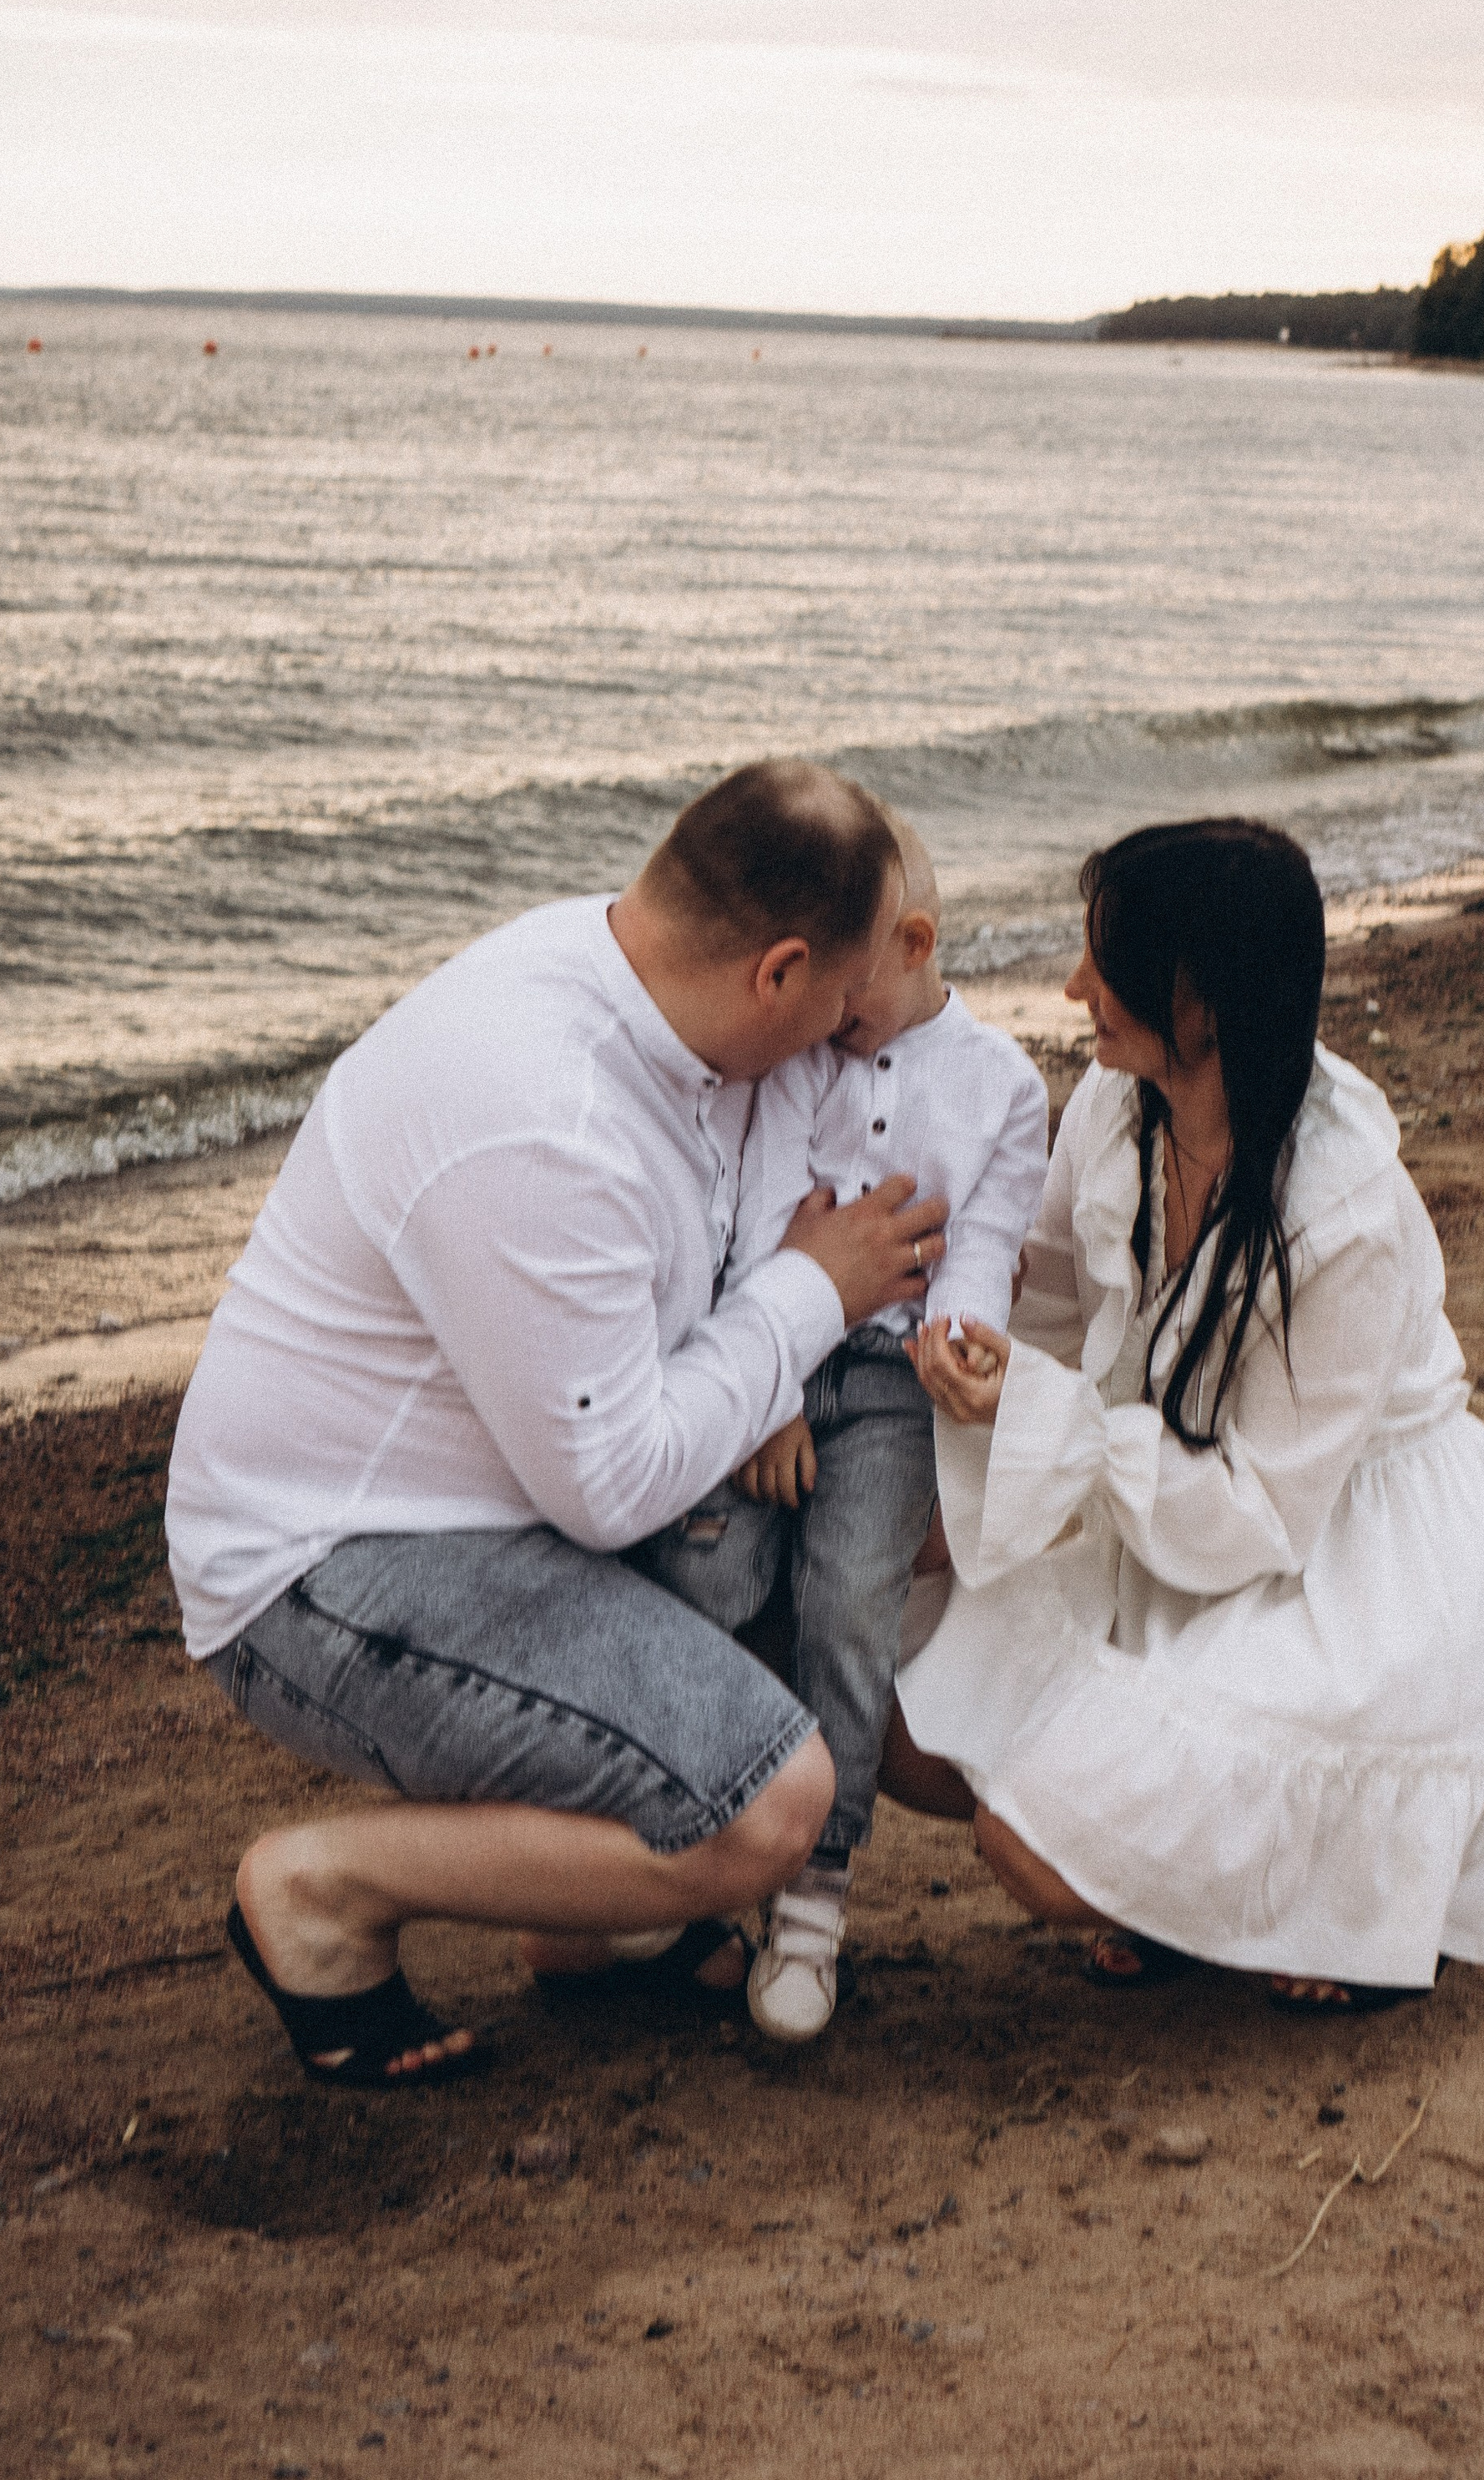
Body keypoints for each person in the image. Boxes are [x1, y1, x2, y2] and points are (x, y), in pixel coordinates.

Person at [165, 760, 948, 2085]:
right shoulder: (547, 1118)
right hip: (335, 1565)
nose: (861, 1022)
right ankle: (320, 1890)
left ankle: (595, 1932)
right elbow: (617, 1478)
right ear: (778, 973)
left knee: (861, 1605)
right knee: (770, 1801)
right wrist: (815, 1292)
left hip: (508, 1503)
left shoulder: (663, 994)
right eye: (847, 994)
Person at [894, 817, 1484, 2007]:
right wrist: (971, 1379)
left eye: (1107, 963)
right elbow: (1044, 1306)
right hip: (1173, 1496)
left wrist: (1058, 1433)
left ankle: (1316, 1907)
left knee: (1034, 1853)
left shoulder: (1344, 1211)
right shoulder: (1118, 1111)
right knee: (913, 1733)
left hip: (1350, 1558)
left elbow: (1262, 1511)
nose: (1074, 988)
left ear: (1200, 1002)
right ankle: (1197, 1890)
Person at [638, 812, 1047, 2040]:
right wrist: (763, 1395)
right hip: (772, 1351)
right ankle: (688, 1858)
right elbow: (761, 1208)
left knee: (850, 1602)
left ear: (911, 946)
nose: (823, 1017)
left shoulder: (1003, 1087)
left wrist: (962, 1336)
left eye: (843, 988)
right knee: (712, 1576)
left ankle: (814, 1900)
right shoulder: (799, 1062)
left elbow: (979, 1238)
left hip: (886, 1387)